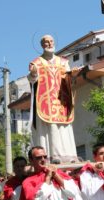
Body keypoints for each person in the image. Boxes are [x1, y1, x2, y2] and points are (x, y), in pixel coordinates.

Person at [28, 34, 81, 163]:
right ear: (42, 45)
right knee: (50, 127)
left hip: (61, 99)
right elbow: (32, 80)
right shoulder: (36, 62)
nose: (50, 44)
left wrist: (72, 76)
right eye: (46, 42)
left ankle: (69, 155)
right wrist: (34, 73)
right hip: (45, 100)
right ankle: (52, 155)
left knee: (64, 127)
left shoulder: (63, 62)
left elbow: (69, 79)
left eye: (51, 41)